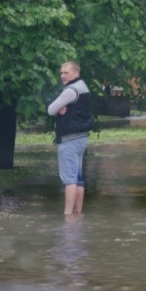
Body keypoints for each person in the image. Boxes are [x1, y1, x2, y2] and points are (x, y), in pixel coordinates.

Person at [47, 61, 93, 215]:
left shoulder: (71, 90)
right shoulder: (84, 87)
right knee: (78, 178)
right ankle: (78, 214)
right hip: (82, 138)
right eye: (61, 73)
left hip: (69, 139)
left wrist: (59, 109)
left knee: (70, 179)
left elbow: (50, 110)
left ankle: (67, 216)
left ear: (76, 73)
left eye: (66, 72)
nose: (62, 76)